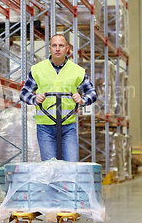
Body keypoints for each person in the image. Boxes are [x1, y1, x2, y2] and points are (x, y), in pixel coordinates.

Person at [20, 34, 98, 162]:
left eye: (61, 46)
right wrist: (34, 99)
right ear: (49, 48)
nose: (57, 49)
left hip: (68, 126)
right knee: (50, 167)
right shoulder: (38, 69)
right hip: (45, 127)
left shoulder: (77, 71)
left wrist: (82, 100)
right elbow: (24, 93)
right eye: (54, 45)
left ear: (67, 49)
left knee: (71, 165)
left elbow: (92, 93)